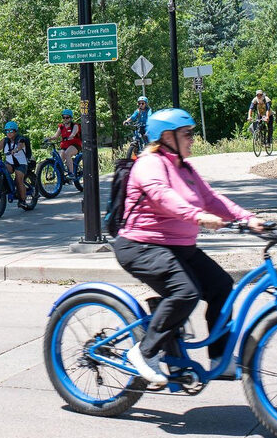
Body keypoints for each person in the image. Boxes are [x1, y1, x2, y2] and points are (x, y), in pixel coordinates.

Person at [113, 107, 264, 387]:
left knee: (220, 285)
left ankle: (219, 358)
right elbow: (162, 195)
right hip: (141, 245)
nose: (192, 139)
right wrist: (197, 216)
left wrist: (249, 218)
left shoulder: (184, 167)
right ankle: (144, 353)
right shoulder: (149, 164)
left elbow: (210, 198)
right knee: (186, 292)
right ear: (166, 137)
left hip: (178, 247)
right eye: (187, 134)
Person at [0, 121, 28, 207]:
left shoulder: (20, 139)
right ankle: (5, 189)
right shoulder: (5, 140)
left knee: (19, 180)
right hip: (10, 163)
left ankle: (22, 201)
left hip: (21, 164)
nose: (9, 133)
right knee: (3, 171)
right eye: (7, 131)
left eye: (11, 131)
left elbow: (20, 145)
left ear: (15, 131)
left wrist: (16, 150)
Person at [47, 109, 82, 180]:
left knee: (67, 153)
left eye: (67, 117)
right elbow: (56, 136)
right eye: (64, 117)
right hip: (65, 145)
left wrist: (71, 136)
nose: (65, 119)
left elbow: (74, 133)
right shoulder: (61, 127)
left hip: (75, 145)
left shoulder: (75, 125)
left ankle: (71, 173)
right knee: (59, 158)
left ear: (71, 118)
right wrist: (49, 138)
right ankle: (59, 175)